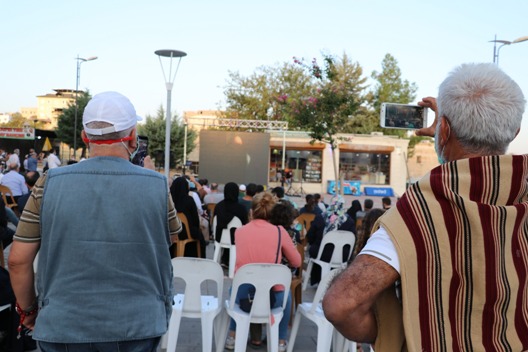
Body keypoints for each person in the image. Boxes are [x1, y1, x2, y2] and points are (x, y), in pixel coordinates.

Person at [323, 63, 528, 351]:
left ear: (442, 129)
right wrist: (446, 133)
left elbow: (341, 304)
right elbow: (477, 179)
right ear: (516, 130)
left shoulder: (418, 212)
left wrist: (404, 334)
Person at [8, 91, 182, 351]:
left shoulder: (49, 183)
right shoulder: (157, 185)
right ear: (133, 137)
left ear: (84, 138)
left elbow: (18, 260)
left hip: (62, 326)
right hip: (137, 327)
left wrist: (29, 310)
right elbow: (171, 238)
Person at [224, 192, 301, 351]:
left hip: (244, 295)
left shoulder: (239, 232)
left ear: (251, 212)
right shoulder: (280, 232)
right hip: (272, 296)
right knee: (286, 296)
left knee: (234, 292)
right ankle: (280, 341)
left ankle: (233, 336)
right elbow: (297, 262)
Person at [170, 176, 207, 258]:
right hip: (187, 233)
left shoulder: (169, 200)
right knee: (199, 235)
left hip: (172, 232)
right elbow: (195, 220)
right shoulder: (189, 200)